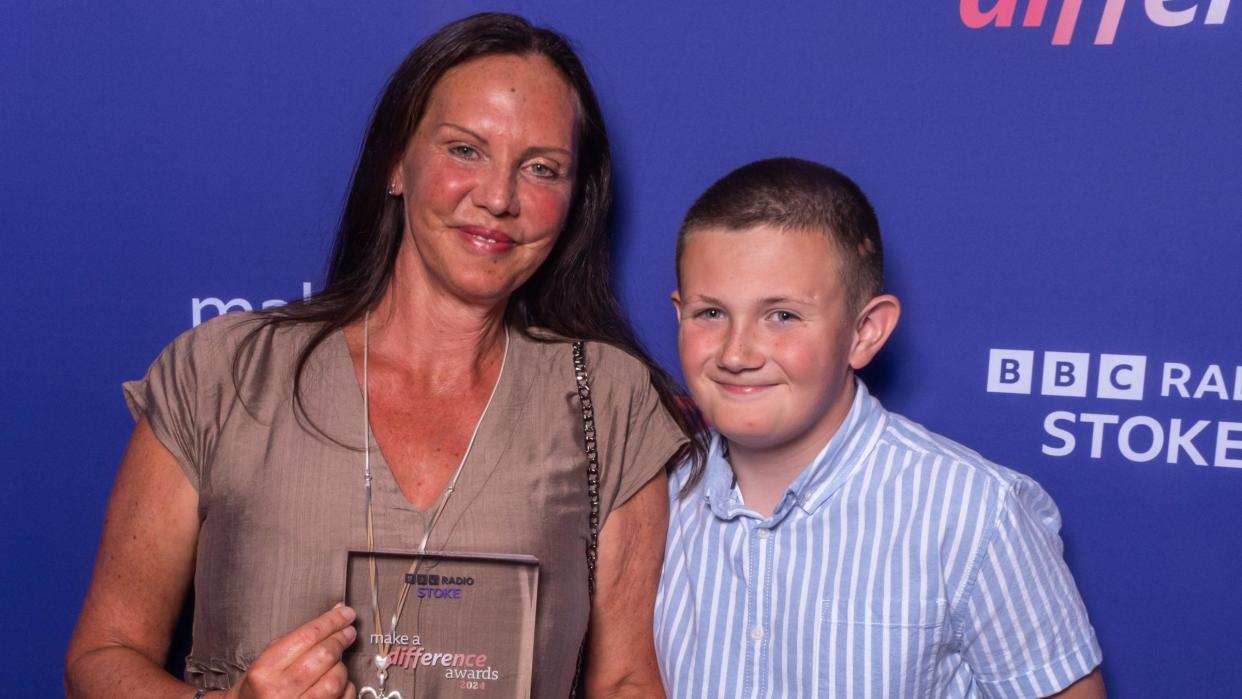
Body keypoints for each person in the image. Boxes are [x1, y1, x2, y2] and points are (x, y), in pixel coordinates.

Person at [65, 13, 696, 698]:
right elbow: (103, 654)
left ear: (574, 200)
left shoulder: (612, 397)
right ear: (397, 162)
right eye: (465, 150)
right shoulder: (220, 372)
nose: (497, 197)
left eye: (541, 168)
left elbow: (628, 678)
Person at [655, 158, 1105, 698]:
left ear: (865, 332)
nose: (737, 352)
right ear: (679, 314)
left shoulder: (973, 512)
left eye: (783, 316)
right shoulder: (651, 492)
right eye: (710, 314)